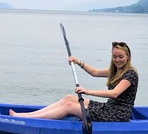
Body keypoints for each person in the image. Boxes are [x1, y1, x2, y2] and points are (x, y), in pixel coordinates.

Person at [9, 41, 138, 122]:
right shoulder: (115, 70)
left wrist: (88, 91)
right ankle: (26, 115)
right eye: (114, 57)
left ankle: (24, 119)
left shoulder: (130, 74)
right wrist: (78, 62)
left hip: (117, 115)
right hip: (109, 108)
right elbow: (95, 72)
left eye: (121, 57)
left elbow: (114, 94)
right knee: (68, 98)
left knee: (68, 107)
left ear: (128, 57)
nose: (117, 60)